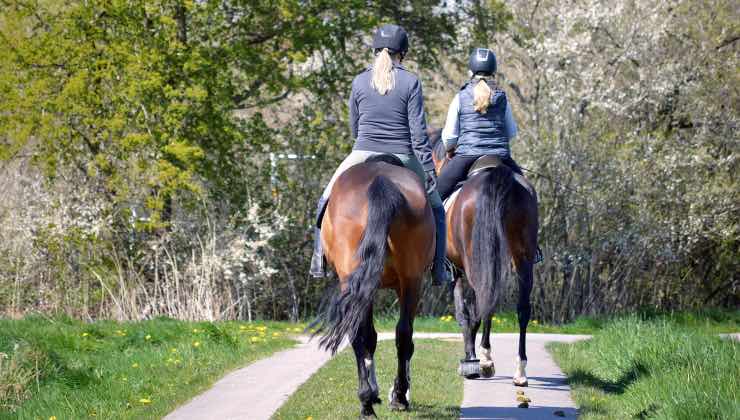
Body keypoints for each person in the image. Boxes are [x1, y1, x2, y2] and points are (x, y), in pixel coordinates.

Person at [309, 24, 450, 286]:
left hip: (362, 151)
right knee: (438, 209)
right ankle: (440, 269)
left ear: (375, 50)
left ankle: (318, 260)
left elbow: (354, 126)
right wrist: (429, 170)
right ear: (403, 53)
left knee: (324, 200)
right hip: (404, 154)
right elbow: (419, 133)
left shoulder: (360, 80)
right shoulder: (411, 81)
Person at [437, 47, 523, 202]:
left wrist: (450, 150)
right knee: (526, 193)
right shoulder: (502, 97)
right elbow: (512, 133)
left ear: (471, 72)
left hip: (466, 157)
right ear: (493, 71)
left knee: (435, 198)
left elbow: (449, 136)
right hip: (500, 157)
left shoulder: (460, 97)